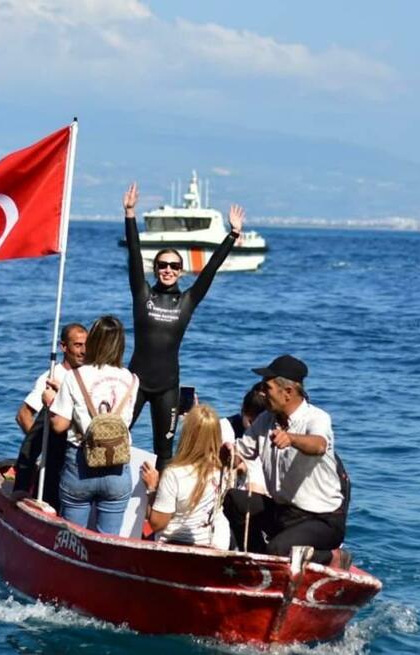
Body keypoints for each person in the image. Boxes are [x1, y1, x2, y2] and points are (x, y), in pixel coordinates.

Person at [123, 182, 245, 471]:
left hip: (168, 385)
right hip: (136, 382)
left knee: (164, 450)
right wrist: (129, 214)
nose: (167, 269)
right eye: (163, 265)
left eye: (174, 266)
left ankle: (159, 509)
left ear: (181, 271)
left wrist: (233, 234)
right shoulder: (143, 294)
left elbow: (211, 268)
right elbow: (134, 252)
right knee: (115, 436)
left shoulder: (188, 300)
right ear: (156, 268)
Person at [224, 355, 350, 568]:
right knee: (234, 499)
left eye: (267, 388)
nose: (262, 393)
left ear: (288, 392)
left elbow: (318, 445)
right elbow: (241, 452)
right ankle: (258, 563)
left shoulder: (316, 418)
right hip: (283, 513)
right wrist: (229, 455)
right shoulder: (265, 419)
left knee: (279, 549)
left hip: (322, 520)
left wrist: (292, 439)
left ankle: (332, 557)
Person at [50, 315, 139, 535]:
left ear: (94, 341)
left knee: (73, 541)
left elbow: (59, 426)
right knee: (107, 543)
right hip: (117, 468)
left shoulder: (75, 376)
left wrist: (50, 399)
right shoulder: (132, 379)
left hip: (80, 466)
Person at [11, 323, 88, 507]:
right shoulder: (53, 376)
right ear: (63, 347)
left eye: (87, 345)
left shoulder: (89, 375)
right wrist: (45, 449)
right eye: (78, 345)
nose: (84, 351)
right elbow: (23, 415)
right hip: (54, 456)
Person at [139, 404, 232, 549]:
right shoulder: (223, 469)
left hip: (175, 544)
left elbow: (157, 524)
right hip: (214, 542)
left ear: (187, 435)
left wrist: (152, 489)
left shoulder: (174, 473)